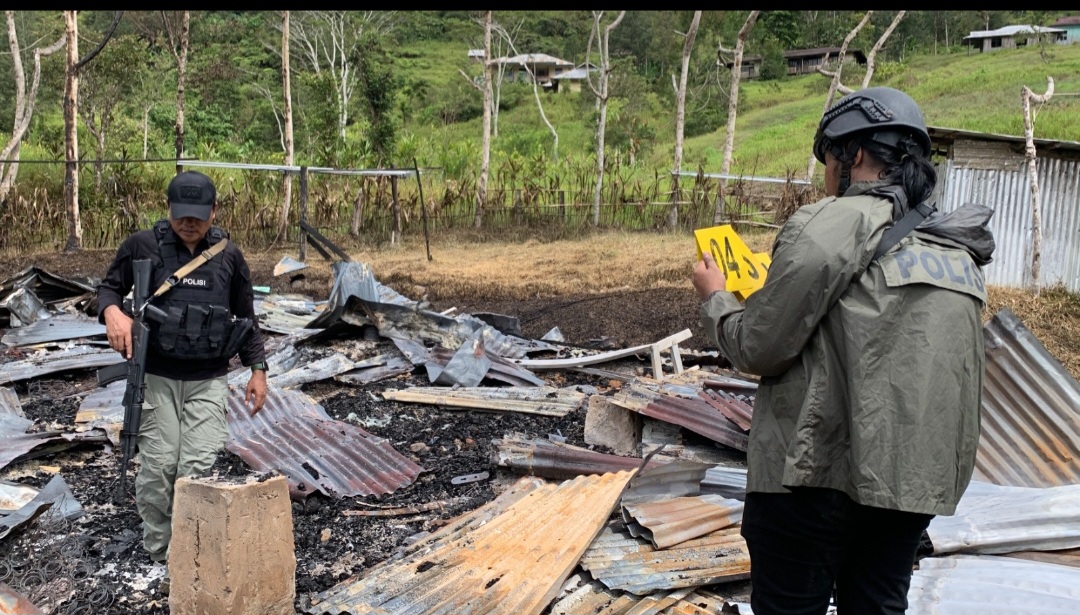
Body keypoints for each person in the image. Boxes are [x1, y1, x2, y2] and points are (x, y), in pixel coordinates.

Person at [692, 87, 995, 615]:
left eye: (828, 161)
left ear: (852, 156)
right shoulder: (956, 248)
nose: (826, 178)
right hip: (908, 491)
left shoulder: (830, 223)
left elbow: (757, 349)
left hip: (812, 484)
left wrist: (716, 297)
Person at [97, 170, 268, 575]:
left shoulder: (229, 255)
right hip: (156, 377)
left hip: (208, 379)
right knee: (158, 468)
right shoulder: (142, 246)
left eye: (197, 215)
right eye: (181, 214)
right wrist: (113, 313)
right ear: (168, 208)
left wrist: (258, 370)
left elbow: (246, 316)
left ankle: (191, 552)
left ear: (213, 211)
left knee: (195, 470)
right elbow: (105, 289)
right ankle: (162, 553)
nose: (189, 222)